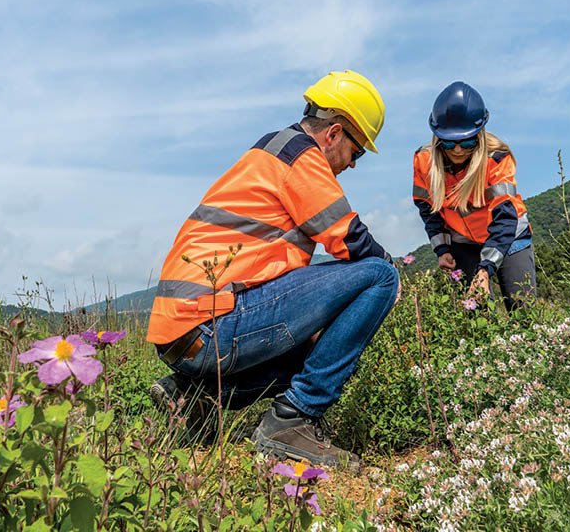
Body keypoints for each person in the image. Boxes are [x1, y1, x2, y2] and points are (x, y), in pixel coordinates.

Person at [146, 70, 399, 469]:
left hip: (185, 329)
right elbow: (351, 240)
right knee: (380, 277)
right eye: (357, 151)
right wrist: (392, 269)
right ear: (334, 134)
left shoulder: (272, 150)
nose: (352, 164)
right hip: (211, 321)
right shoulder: (302, 157)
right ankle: (293, 419)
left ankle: (193, 396)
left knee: (320, 348)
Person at [412, 81, 536, 311]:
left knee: (523, 311)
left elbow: (505, 217)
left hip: (509, 237)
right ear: (437, 138)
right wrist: (443, 250)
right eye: (449, 142)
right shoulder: (423, 161)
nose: (458, 150)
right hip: (462, 242)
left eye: (467, 141)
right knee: (473, 314)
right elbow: (428, 211)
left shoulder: (497, 159)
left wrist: (486, 268)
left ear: (479, 135)